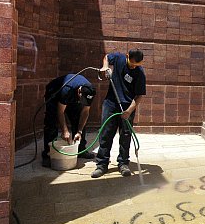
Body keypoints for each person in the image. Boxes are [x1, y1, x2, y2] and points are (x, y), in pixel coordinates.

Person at [93, 49, 146, 178]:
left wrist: (129, 111)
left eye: (137, 65)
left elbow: (139, 96)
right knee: (106, 133)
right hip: (111, 103)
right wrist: (105, 67)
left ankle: (123, 163)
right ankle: (102, 164)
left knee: (125, 135)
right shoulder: (118, 58)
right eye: (132, 63)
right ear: (127, 56)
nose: (134, 67)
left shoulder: (139, 73)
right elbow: (106, 57)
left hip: (127, 107)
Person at [41, 74, 97, 168]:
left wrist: (79, 131)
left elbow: (85, 112)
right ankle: (48, 154)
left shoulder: (90, 91)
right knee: (51, 122)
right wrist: (65, 130)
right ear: (79, 91)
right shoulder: (67, 89)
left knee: (78, 118)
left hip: (72, 96)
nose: (83, 101)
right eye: (82, 99)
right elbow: (60, 111)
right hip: (54, 94)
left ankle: (80, 149)